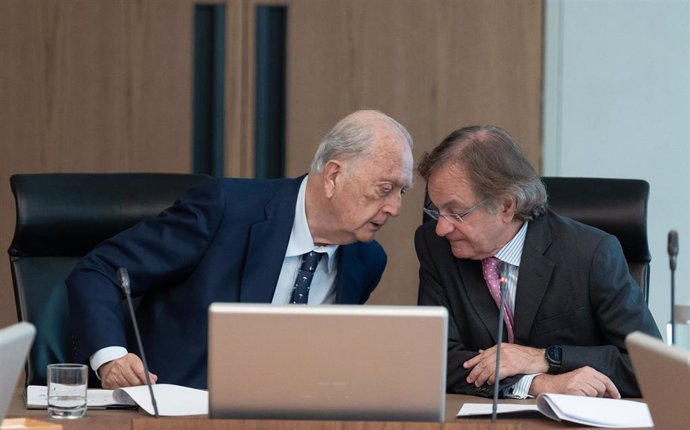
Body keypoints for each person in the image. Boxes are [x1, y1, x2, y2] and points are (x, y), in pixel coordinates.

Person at [67, 109, 414, 390]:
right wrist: (111, 358)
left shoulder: (367, 260)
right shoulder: (225, 209)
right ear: (334, 176)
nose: (394, 208)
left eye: (402, 192)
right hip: (174, 418)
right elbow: (99, 271)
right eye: (384, 189)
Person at [415, 125, 661, 399]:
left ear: (507, 206)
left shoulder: (591, 253)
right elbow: (435, 361)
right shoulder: (435, 246)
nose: (441, 228)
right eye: (437, 211)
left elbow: (650, 368)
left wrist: (545, 358)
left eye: (456, 212)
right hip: (479, 424)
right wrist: (534, 383)